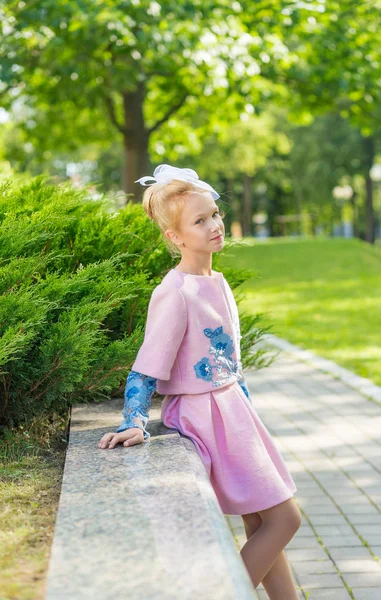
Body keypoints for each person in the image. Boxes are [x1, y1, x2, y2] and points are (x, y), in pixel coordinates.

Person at [98, 164, 301, 598]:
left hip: (236, 414)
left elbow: (233, 363)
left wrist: (248, 410)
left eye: (214, 214)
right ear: (175, 237)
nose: (214, 226)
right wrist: (133, 421)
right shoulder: (176, 292)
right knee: (286, 520)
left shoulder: (218, 282)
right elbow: (146, 367)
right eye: (199, 220)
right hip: (205, 418)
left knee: (261, 522)